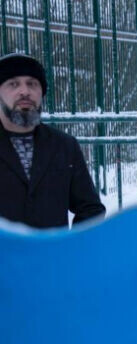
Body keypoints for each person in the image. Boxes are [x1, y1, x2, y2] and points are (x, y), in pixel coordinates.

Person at [0, 53, 105, 228]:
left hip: (54, 254)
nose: (25, 91)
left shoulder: (64, 146)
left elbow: (90, 209)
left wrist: (70, 248)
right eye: (13, 84)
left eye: (32, 84)